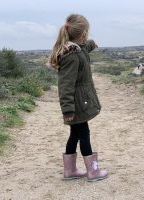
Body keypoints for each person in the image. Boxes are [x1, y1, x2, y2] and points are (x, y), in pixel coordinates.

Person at [49, 14, 108, 182]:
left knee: (75, 134)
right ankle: (93, 172)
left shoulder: (77, 50)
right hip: (77, 103)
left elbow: (83, 49)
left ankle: (70, 170)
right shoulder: (72, 56)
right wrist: (67, 109)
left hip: (78, 101)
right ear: (83, 34)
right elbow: (65, 85)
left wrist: (91, 44)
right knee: (84, 133)